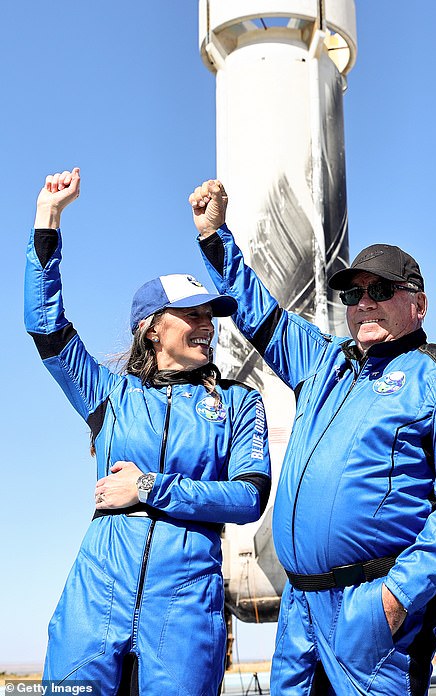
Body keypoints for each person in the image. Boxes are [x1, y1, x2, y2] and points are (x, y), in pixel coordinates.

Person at [188, 179, 436, 695]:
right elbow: (259, 311)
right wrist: (216, 236)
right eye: (354, 293)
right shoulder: (324, 362)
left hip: (373, 612)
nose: (364, 304)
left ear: (418, 305)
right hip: (300, 608)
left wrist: (396, 598)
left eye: (380, 291)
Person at [25, 168, 272, 695]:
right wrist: (48, 219)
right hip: (94, 598)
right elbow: (46, 326)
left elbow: (248, 496)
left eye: (211, 314)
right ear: (151, 326)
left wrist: (145, 488)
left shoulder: (238, 402)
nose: (207, 323)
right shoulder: (108, 395)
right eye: (192, 314)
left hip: (183, 610)